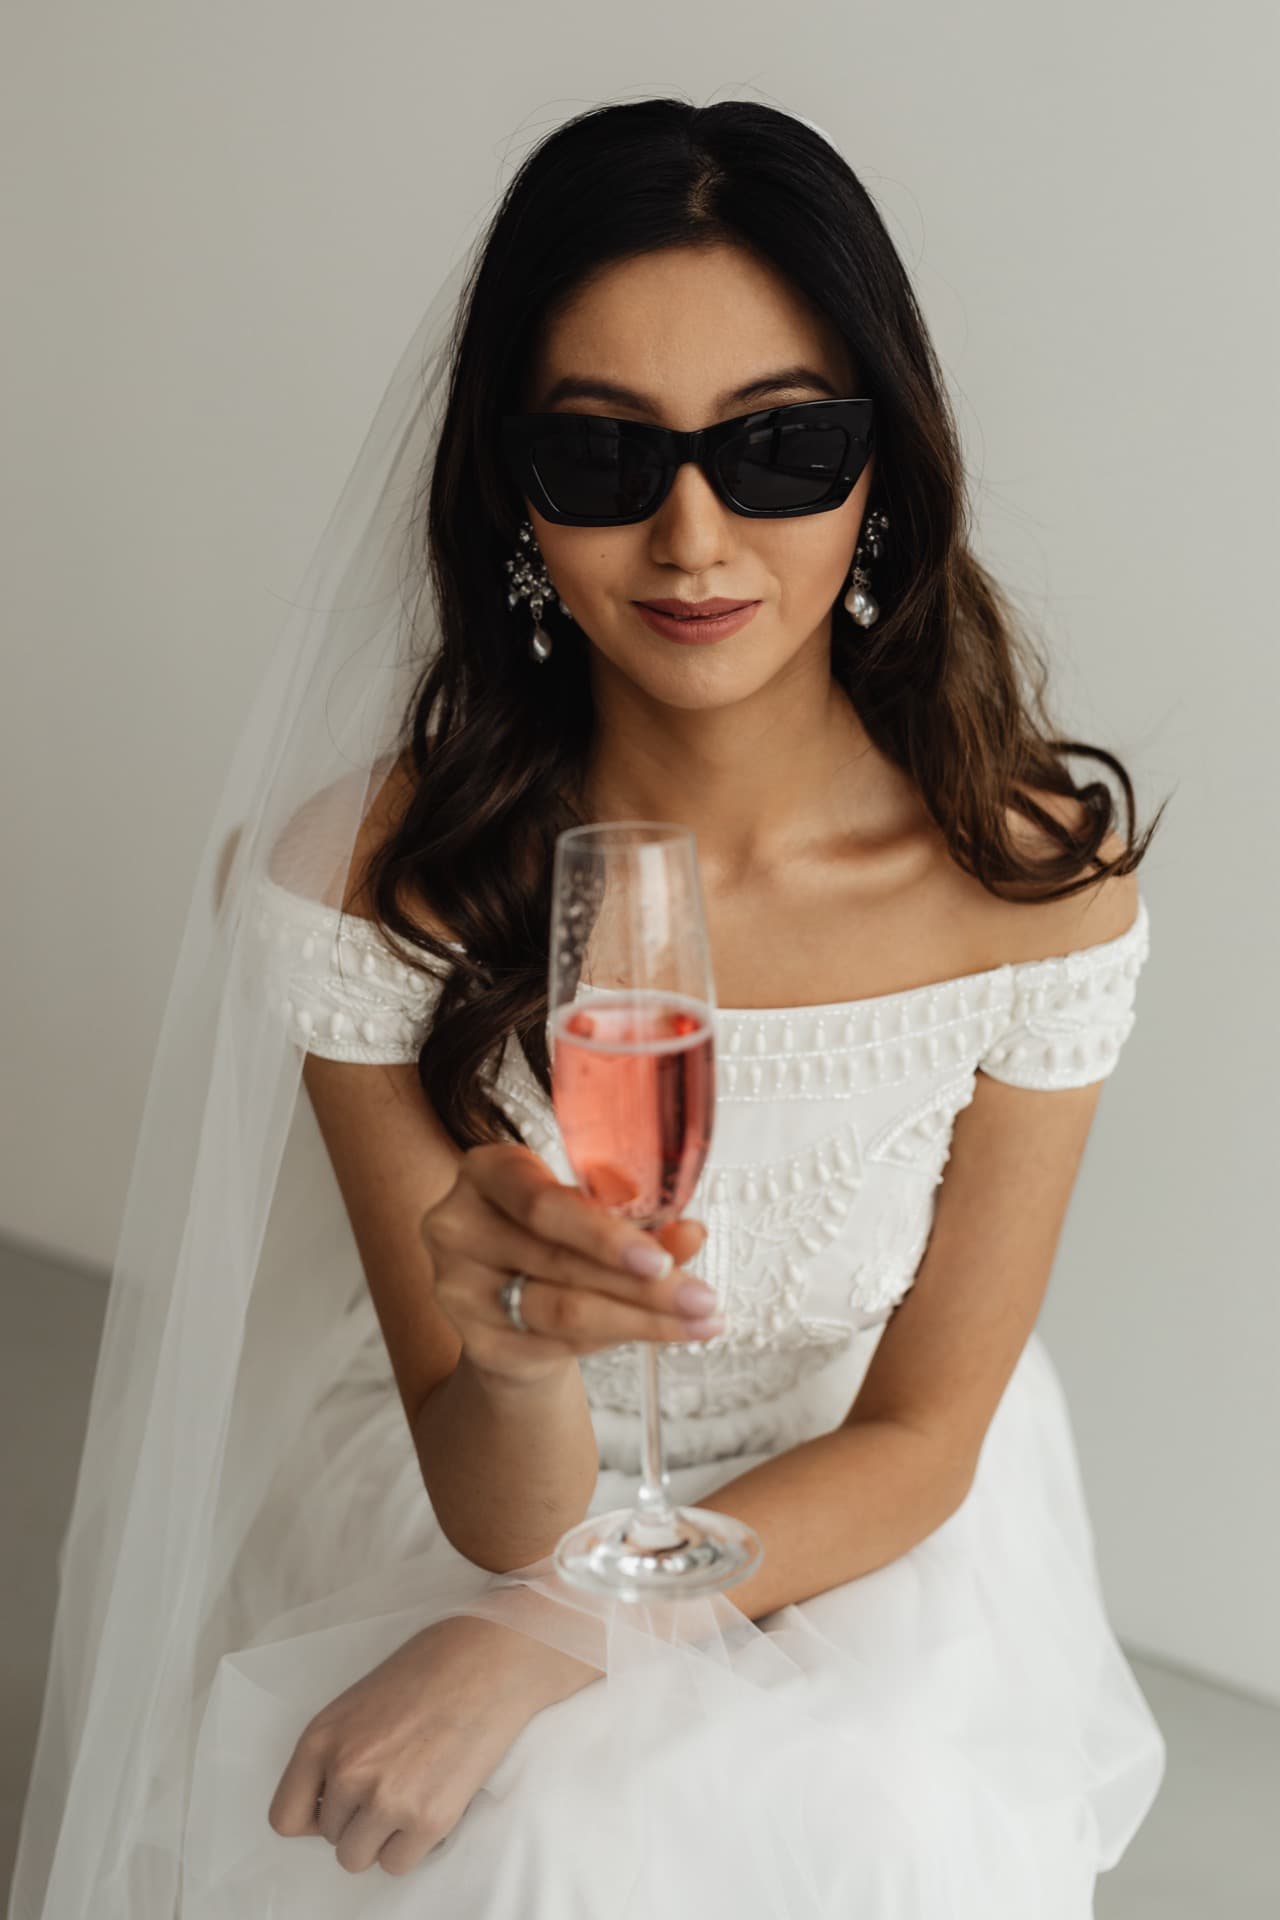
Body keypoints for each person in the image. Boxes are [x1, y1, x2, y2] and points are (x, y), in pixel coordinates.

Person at [9, 97, 1169, 1920]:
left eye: (780, 446)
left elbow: (924, 1435)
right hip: (486, 1480)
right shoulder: (368, 894)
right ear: (514, 492)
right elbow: (500, 1514)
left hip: (854, 1488)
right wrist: (522, 1357)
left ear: (881, 467)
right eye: (604, 455)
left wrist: (544, 1636)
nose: (693, 537)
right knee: (544, 1846)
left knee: (875, 1824)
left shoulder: (1032, 889)